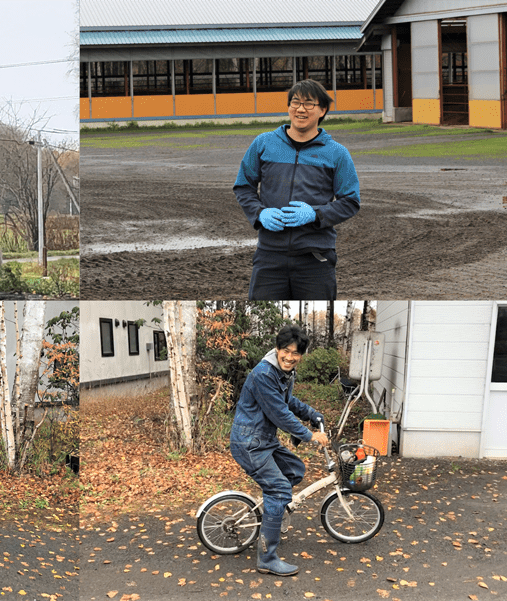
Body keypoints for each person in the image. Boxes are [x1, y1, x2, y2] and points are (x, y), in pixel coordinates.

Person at [234, 79, 361, 300]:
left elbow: (350, 200)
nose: (301, 109)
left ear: (322, 110)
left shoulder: (337, 153)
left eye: (309, 104)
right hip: (269, 256)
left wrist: (315, 214)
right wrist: (259, 213)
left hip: (316, 258)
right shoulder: (263, 144)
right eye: (295, 102)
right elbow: (244, 186)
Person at [230, 324, 329, 576]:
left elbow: (288, 401)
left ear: (301, 356)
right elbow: (279, 413)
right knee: (279, 488)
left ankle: (271, 519)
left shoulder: (284, 373)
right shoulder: (264, 374)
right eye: (286, 351)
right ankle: (267, 557)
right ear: (277, 349)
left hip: (264, 440)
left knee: (295, 470)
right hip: (250, 442)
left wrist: (310, 413)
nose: (290, 357)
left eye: (296, 353)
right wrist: (310, 435)